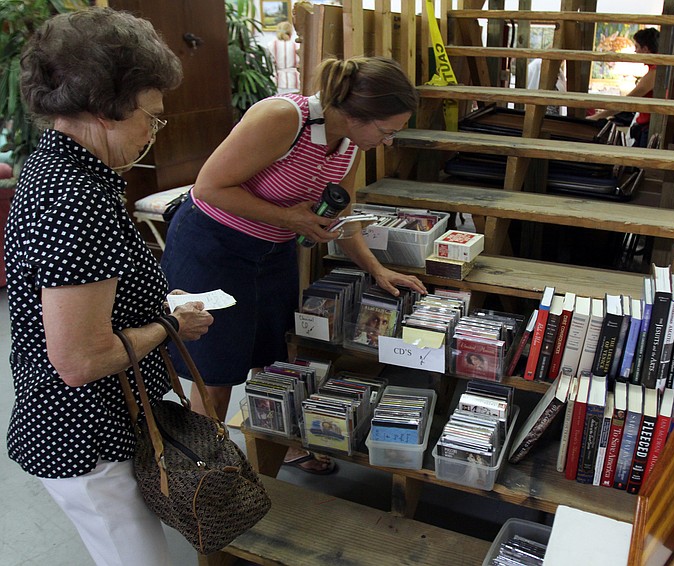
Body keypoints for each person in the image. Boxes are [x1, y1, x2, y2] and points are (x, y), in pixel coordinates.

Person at [4, 8, 214, 566]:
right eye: (150, 115)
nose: (152, 130)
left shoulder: (59, 166)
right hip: (84, 431)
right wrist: (171, 325)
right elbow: (77, 359)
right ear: (104, 107)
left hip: (93, 419)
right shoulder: (76, 198)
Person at [161, 56, 427, 474]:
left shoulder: (352, 142)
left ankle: (275, 444)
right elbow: (209, 187)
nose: (390, 142)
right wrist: (288, 217)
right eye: (388, 131)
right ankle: (204, 476)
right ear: (356, 112)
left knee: (272, 361)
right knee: (217, 372)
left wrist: (376, 269)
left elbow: (341, 214)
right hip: (213, 247)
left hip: (272, 252)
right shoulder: (284, 117)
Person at [587, 27, 660, 147]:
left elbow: (627, 101)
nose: (635, 52)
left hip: (648, 130)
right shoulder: (655, 70)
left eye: (637, 47)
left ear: (646, 49)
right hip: (645, 128)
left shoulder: (655, 72)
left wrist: (597, 117)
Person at [268, 21, 301, 93]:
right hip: (294, 81)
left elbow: (269, 65)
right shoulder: (297, 46)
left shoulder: (271, 45)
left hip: (278, 81)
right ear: (291, 32)